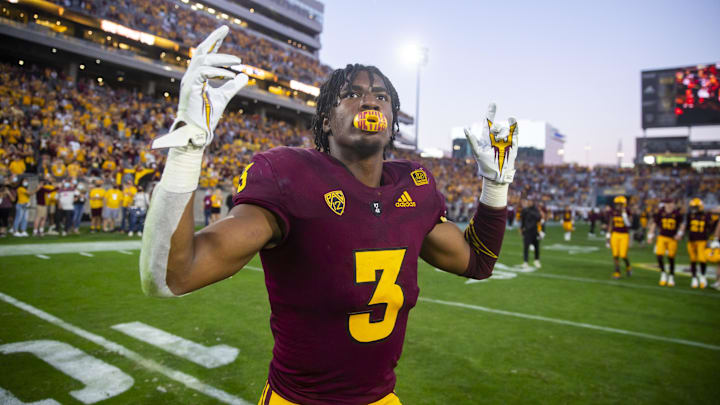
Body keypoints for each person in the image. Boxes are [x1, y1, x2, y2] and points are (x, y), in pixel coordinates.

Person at [140, 26, 517, 405]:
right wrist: (187, 150)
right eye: (351, 94)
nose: (369, 102)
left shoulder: (412, 186)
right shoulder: (290, 176)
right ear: (325, 120)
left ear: (391, 119)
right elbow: (171, 276)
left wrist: (495, 187)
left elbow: (478, 261)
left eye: (381, 96)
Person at [647, 199, 684, 287]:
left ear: (673, 204)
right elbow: (654, 224)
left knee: (671, 257)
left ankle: (671, 276)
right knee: (659, 255)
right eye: (667, 203)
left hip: (672, 238)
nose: (669, 205)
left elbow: (682, 225)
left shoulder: (677, 214)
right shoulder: (660, 212)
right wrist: (650, 236)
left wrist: (679, 234)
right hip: (662, 237)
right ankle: (663, 273)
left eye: (670, 203)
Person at [684, 198, 719, 289]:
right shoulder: (690, 215)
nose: (693, 209)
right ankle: (694, 278)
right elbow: (687, 227)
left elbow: (710, 227)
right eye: (692, 207)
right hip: (691, 240)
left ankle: (703, 277)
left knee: (702, 259)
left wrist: (712, 239)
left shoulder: (706, 215)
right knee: (693, 260)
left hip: (702, 240)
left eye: (695, 207)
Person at [606, 196, 631, 279]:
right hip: (615, 234)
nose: (619, 206)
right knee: (615, 254)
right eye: (617, 204)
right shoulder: (613, 212)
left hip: (624, 234)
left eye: (620, 204)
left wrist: (624, 215)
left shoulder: (627, 212)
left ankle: (628, 266)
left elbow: (628, 224)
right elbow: (610, 224)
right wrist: (608, 236)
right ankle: (617, 271)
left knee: (623, 255)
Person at [520, 198, 542, 268]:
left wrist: (530, 212)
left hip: (535, 231)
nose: (529, 203)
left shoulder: (535, 210)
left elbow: (539, 218)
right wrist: (521, 229)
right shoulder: (525, 210)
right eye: (528, 201)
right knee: (526, 247)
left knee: (536, 247)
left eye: (530, 201)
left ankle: (536, 260)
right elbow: (522, 220)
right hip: (527, 231)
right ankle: (525, 262)